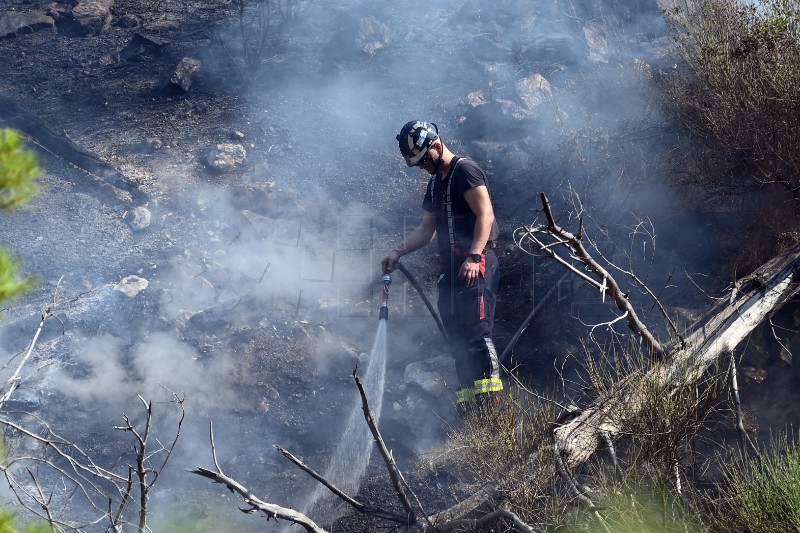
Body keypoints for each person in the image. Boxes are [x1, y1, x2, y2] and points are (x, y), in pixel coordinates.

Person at [381, 120, 502, 406]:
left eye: (424, 160)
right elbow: (426, 229)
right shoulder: (436, 183)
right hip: (452, 270)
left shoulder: (465, 170)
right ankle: (470, 411)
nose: (423, 167)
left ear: (436, 146)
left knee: (476, 334)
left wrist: (474, 256)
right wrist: (397, 252)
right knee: (457, 339)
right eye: (418, 163)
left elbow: (485, 214)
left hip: (475, 265)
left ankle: (493, 415)